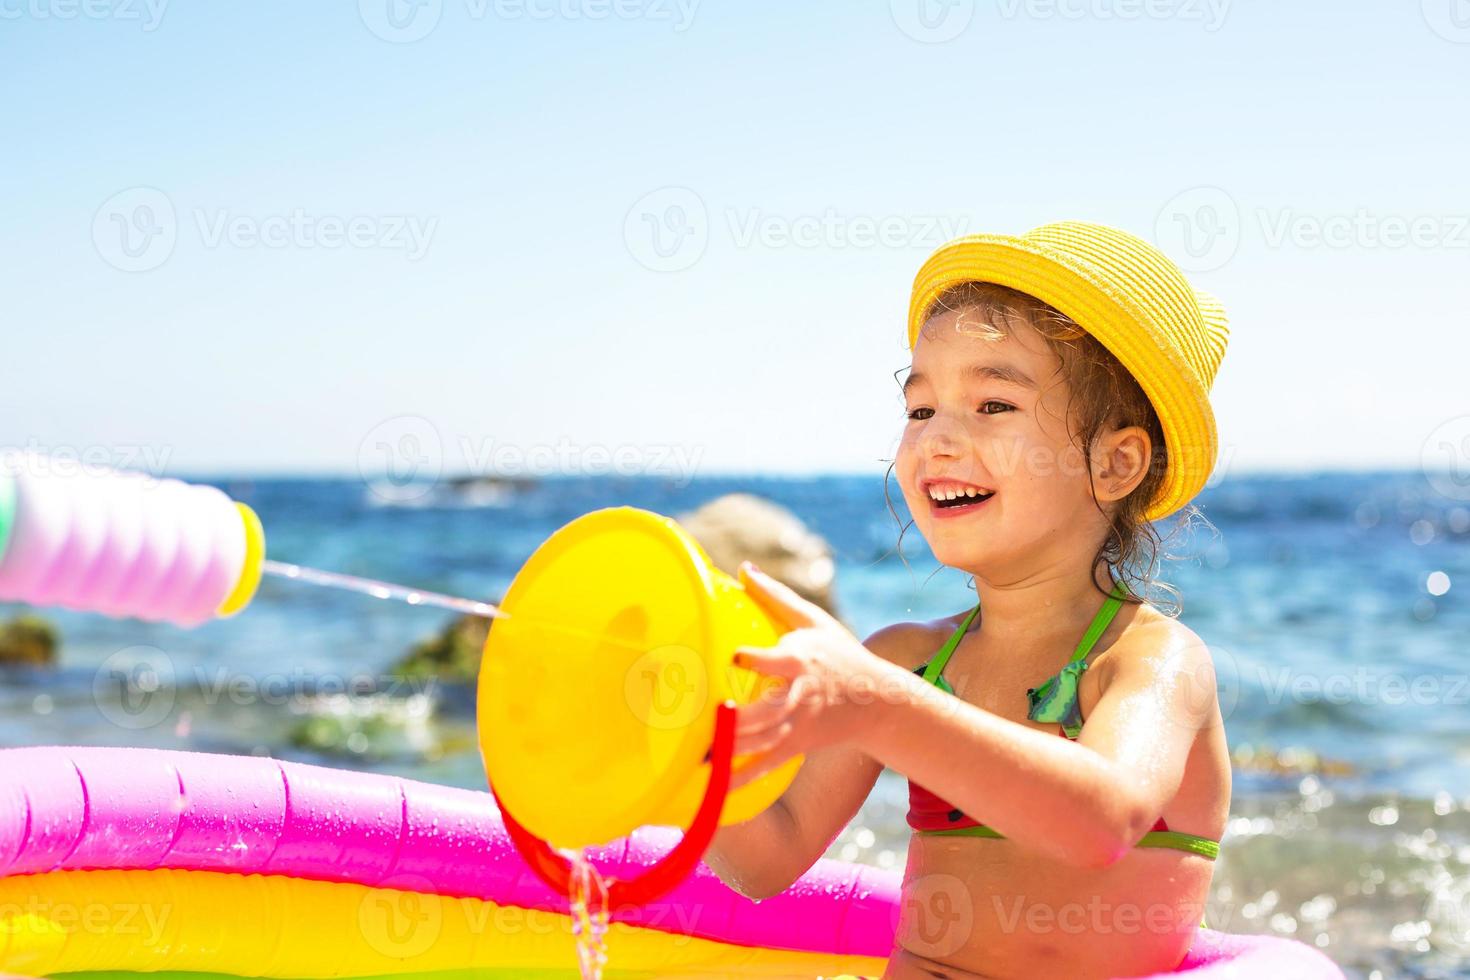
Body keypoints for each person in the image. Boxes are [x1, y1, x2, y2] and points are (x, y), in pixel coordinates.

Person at [704, 222, 1234, 979]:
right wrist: (694, 743)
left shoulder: (1150, 662)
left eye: (992, 405)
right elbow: (768, 860)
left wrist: (878, 705)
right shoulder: (907, 661)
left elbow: (1100, 821)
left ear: (1116, 463)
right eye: (921, 409)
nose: (937, 440)